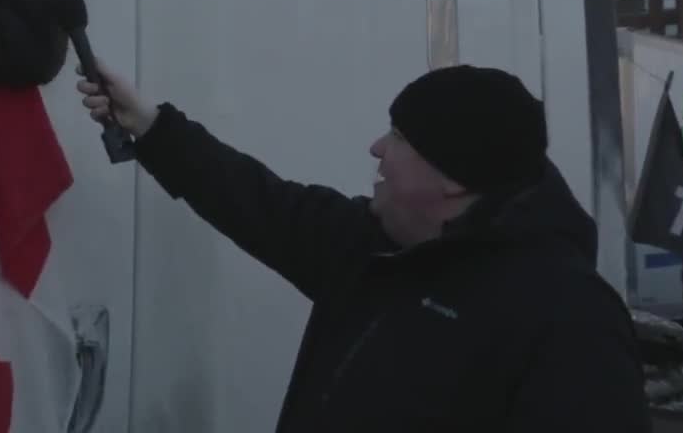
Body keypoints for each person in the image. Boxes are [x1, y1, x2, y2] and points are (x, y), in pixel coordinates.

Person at [76, 62, 652, 432]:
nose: (377, 148)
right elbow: (256, 201)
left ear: (453, 176)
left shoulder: (568, 317)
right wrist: (149, 126)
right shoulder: (375, 251)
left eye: (399, 137)